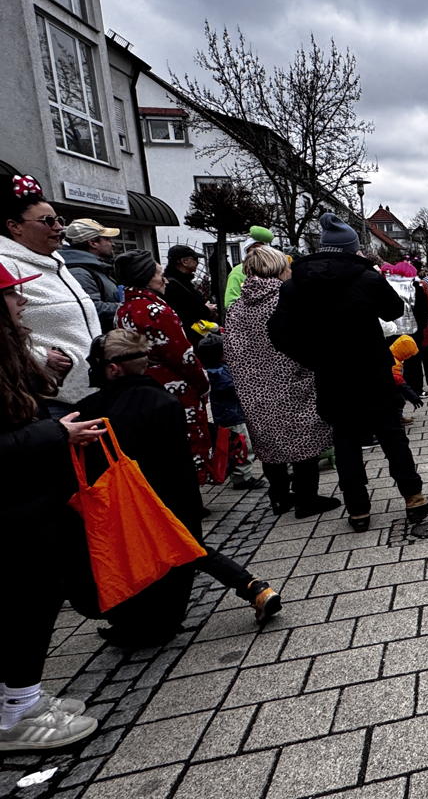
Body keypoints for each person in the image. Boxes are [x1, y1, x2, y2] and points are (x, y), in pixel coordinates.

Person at [77, 330, 283, 646]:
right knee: (189, 548)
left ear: (113, 368)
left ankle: (139, 621)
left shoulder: (93, 410)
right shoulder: (164, 401)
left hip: (124, 503)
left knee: (149, 557)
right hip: (168, 496)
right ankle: (254, 588)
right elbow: (178, 460)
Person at [269, 213, 428, 531]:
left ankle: (358, 510)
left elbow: (278, 332)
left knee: (346, 441)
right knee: (391, 435)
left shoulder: (296, 284)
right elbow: (394, 310)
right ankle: (413, 498)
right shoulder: (367, 278)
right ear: (352, 248)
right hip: (372, 369)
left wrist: (311, 358)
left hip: (331, 375)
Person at [0, 262, 101, 751]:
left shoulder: (11, 352)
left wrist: (46, 381)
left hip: (29, 500)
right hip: (11, 508)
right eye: (12, 297)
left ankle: (23, 697)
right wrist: (57, 431)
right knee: (24, 603)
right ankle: (16, 713)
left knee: (39, 597)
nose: (22, 303)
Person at [223, 245, 339, 519]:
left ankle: (279, 497)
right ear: (276, 269)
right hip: (292, 380)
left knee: (268, 441)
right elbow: (305, 338)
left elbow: (231, 348)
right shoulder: (285, 299)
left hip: (253, 387)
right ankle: (306, 498)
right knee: (303, 438)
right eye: (286, 266)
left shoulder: (237, 306)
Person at [114, 250, 215, 483]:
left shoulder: (124, 309)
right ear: (146, 277)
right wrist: (202, 384)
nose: (165, 279)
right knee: (184, 444)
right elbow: (182, 355)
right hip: (173, 387)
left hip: (144, 387)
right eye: (159, 274)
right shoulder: (155, 311)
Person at [0, 176, 98, 410]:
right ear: (15, 226)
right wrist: (39, 357)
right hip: (50, 399)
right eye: (47, 221)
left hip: (88, 392)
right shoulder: (5, 264)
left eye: (59, 220)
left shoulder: (55, 260)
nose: (58, 227)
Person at [197, 330, 260, 489]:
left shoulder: (213, 371)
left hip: (226, 416)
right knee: (242, 446)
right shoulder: (218, 373)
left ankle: (237, 472)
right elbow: (232, 388)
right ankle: (242, 477)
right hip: (232, 416)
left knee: (234, 444)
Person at [61, 218, 121, 333]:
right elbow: (92, 308)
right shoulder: (79, 272)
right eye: (107, 239)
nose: (112, 244)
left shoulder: (96, 267)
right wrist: (127, 307)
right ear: (93, 243)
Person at [381, 261, 425, 397]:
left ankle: (398, 389)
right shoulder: (416, 287)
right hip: (412, 330)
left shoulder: (387, 288)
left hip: (393, 331)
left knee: (395, 361)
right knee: (414, 360)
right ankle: (416, 389)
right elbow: (422, 311)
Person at [163, 245, 215, 342]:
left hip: (196, 333)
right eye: (195, 259)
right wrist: (206, 310)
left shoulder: (182, 281)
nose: (197, 262)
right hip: (189, 338)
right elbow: (186, 313)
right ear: (184, 261)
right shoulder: (173, 285)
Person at [223, 226, 276, 310]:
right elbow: (230, 302)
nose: (259, 251)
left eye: (262, 247)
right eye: (255, 247)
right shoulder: (238, 272)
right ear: (247, 250)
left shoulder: (273, 269)